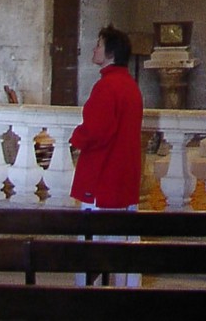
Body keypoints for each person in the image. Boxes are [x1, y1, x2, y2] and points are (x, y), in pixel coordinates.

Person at [70, 24, 144, 286]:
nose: (94, 49)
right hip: (124, 177)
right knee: (123, 241)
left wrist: (76, 138)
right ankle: (125, 290)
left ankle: (90, 295)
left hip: (103, 179)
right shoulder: (130, 86)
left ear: (111, 53)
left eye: (99, 45)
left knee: (94, 244)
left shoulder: (107, 87)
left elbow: (96, 131)